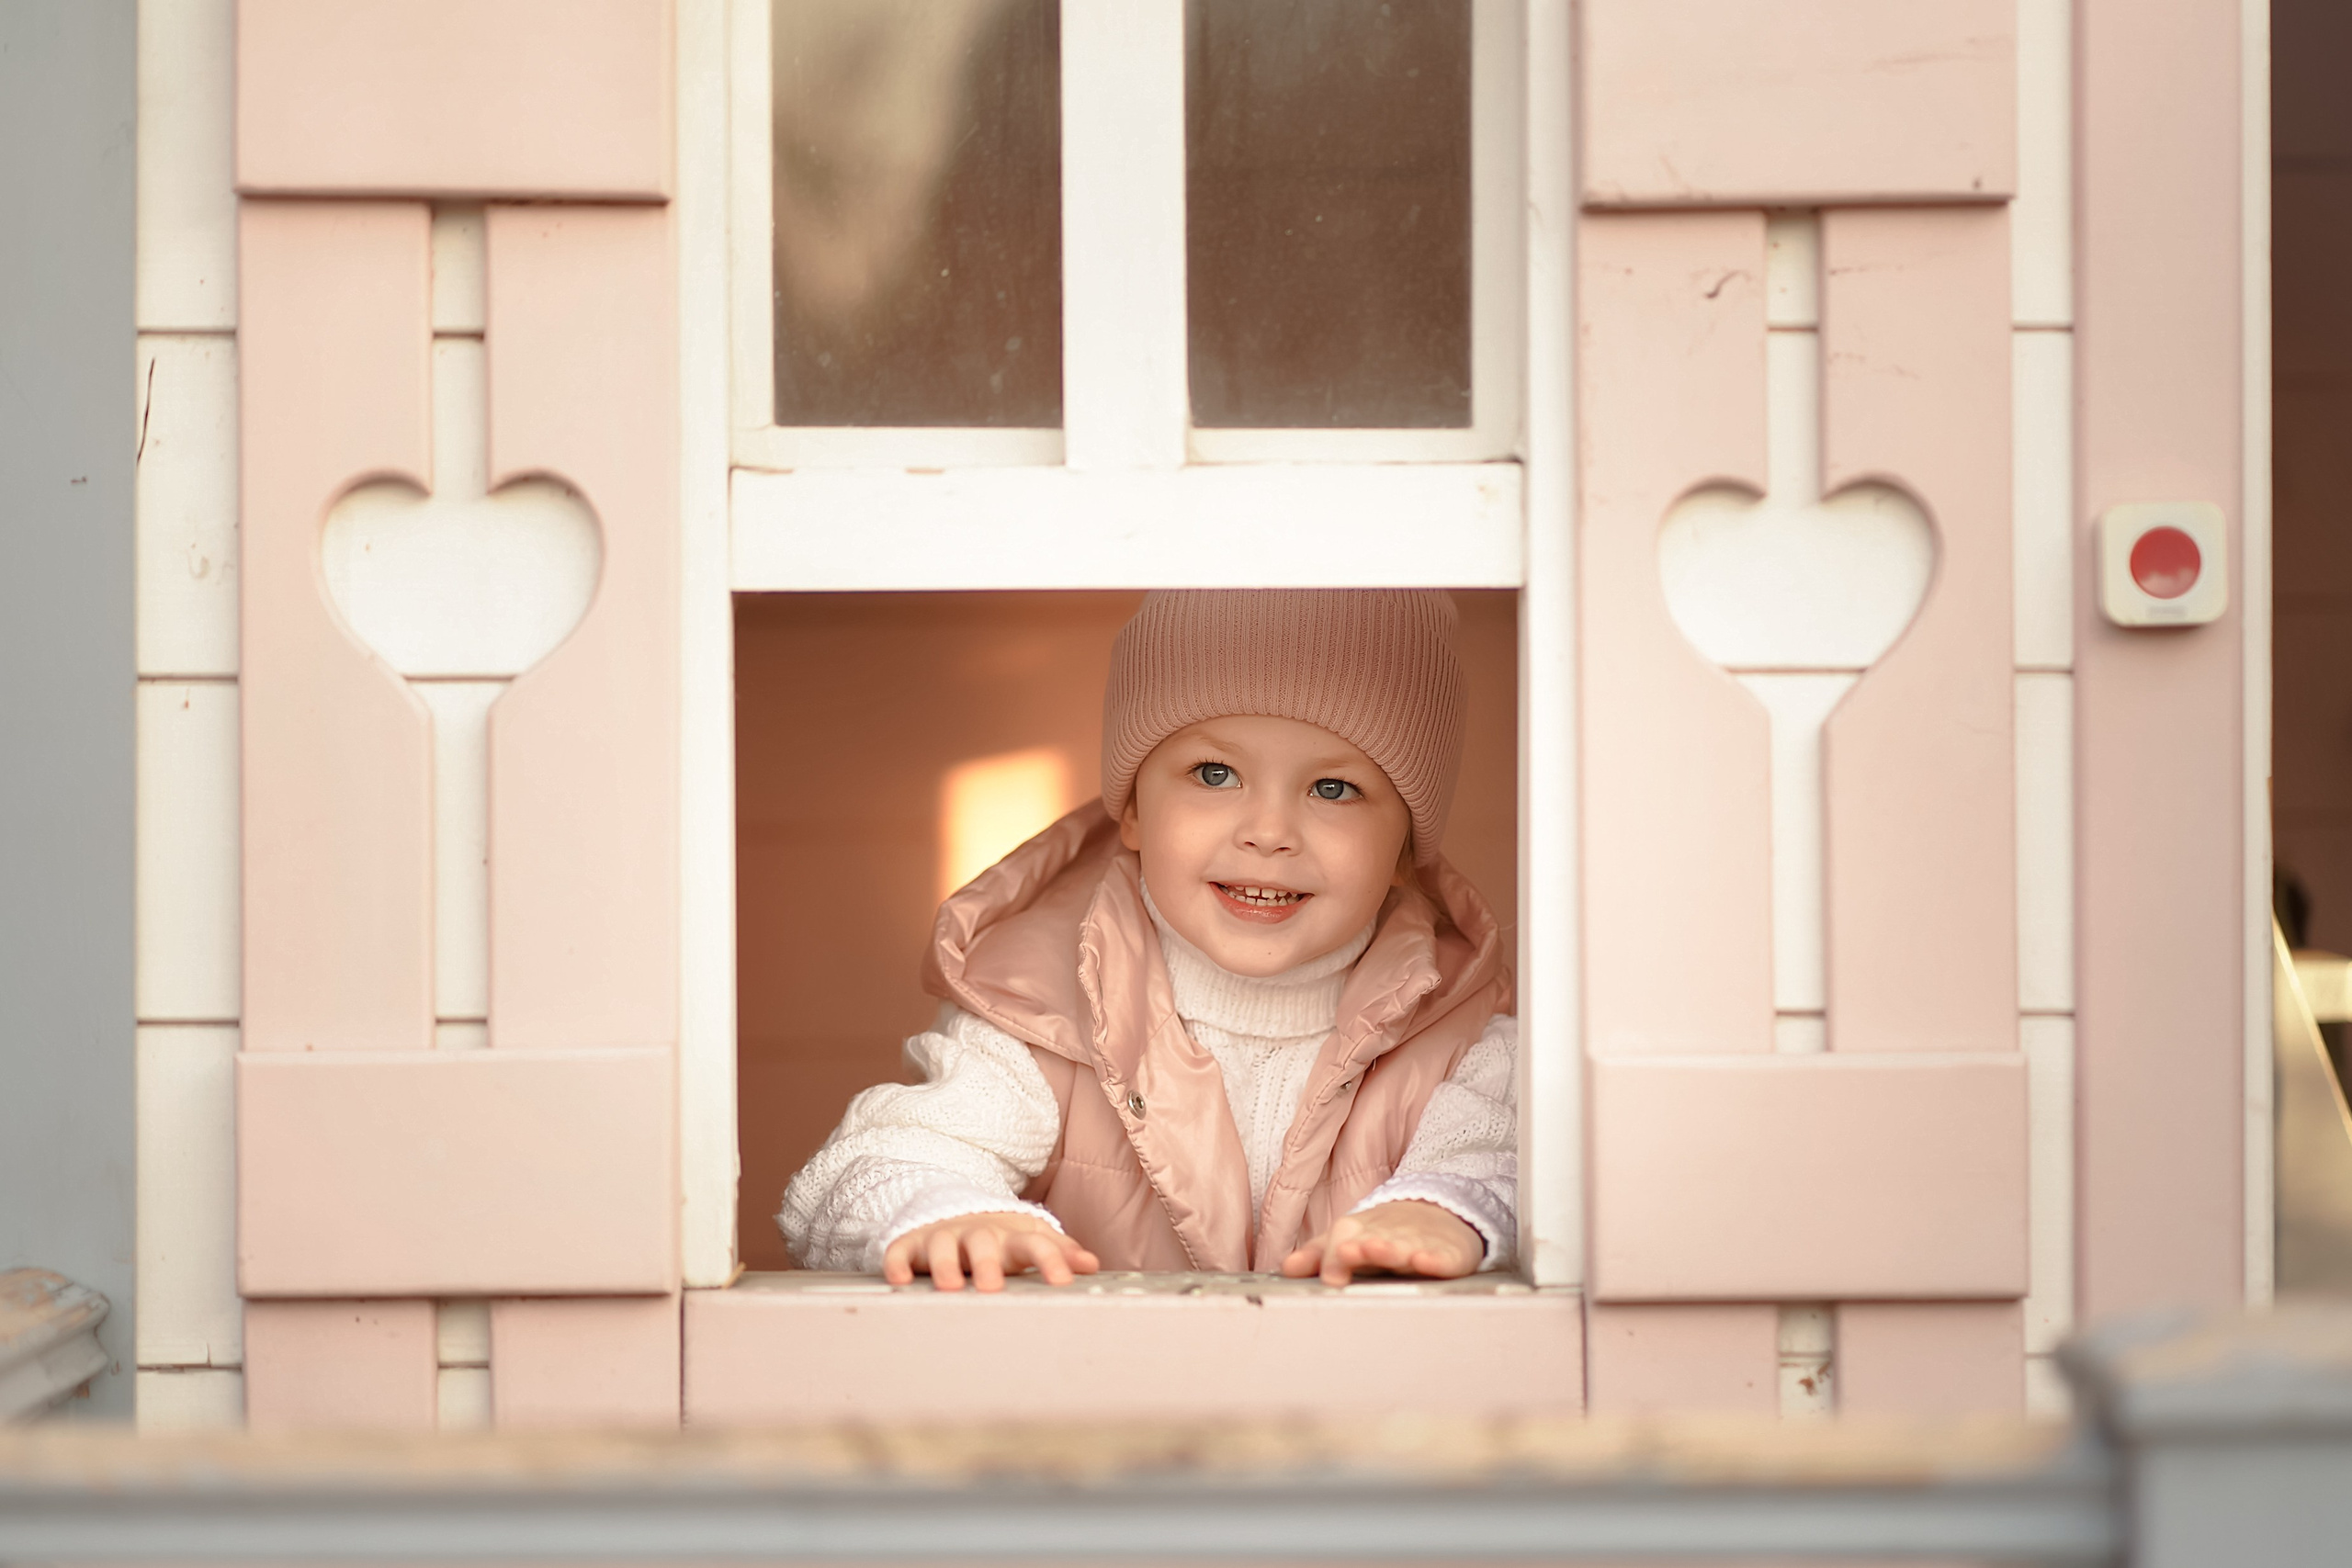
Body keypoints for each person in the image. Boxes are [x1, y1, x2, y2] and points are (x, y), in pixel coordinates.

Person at [778, 589, 1516, 1290]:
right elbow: (870, 1164)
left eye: (1333, 789)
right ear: (1131, 812)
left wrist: (1445, 1207)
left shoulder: (1459, 1029)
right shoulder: (1040, 1013)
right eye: (1215, 772)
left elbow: (1503, 1157)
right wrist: (948, 1210)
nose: (1268, 831)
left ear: (1403, 850)